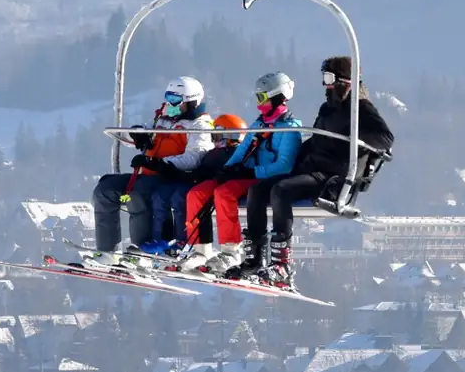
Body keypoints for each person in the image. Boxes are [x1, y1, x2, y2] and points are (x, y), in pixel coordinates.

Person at [232, 56, 394, 287]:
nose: (325, 85)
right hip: (311, 167)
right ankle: (255, 259)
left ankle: (282, 264)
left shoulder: (361, 108)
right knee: (257, 190)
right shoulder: (327, 108)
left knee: (281, 190)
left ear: (344, 81)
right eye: (324, 78)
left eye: (329, 78)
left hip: (331, 176)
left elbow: (385, 138)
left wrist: (351, 142)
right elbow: (318, 139)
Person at [179, 80, 301, 275]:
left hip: (263, 177)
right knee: (197, 193)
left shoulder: (289, 128)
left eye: (261, 97)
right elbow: (243, 149)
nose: (258, 102)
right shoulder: (259, 123)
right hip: (246, 173)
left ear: (277, 97)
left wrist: (252, 172)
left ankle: (230, 251)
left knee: (224, 193)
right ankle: (200, 250)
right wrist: (227, 169)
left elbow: (284, 165)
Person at [89, 76, 214, 252]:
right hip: (146, 174)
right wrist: (138, 134)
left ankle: (143, 247)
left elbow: (194, 157)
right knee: (105, 190)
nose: (170, 104)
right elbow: (138, 133)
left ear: (191, 101)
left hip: (170, 176)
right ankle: (107, 249)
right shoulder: (162, 119)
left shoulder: (200, 125)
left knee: (136, 194)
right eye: (168, 98)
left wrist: (158, 163)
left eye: (175, 100)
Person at [150, 113, 248, 258]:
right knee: (188, 194)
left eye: (218, 136)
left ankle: (228, 250)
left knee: (187, 196)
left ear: (231, 135)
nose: (215, 141)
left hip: (229, 186)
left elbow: (242, 171)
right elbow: (200, 174)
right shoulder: (213, 154)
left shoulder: (237, 153)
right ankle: (198, 248)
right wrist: (173, 172)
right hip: (209, 184)